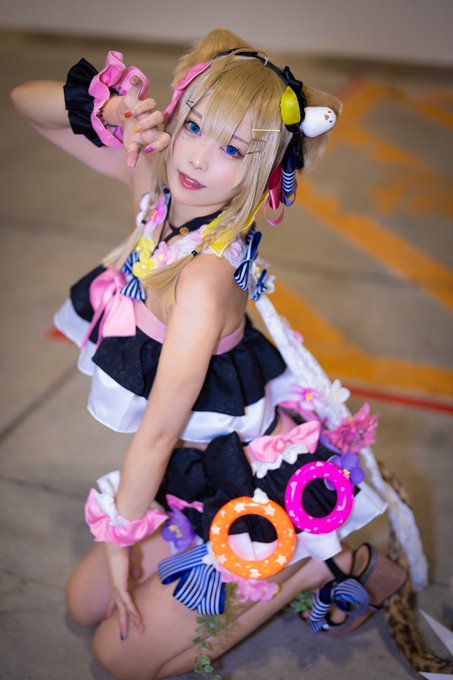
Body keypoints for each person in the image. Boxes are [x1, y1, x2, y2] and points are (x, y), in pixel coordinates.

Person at [11, 28, 413, 680]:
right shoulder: (158, 192)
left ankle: (315, 566)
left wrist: (119, 535)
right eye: (194, 126)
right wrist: (110, 109)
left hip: (234, 483)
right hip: (181, 470)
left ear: (260, 170)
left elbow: (158, 430)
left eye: (231, 148)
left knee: (118, 657)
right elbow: (25, 101)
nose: (197, 157)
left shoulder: (204, 279)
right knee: (82, 601)